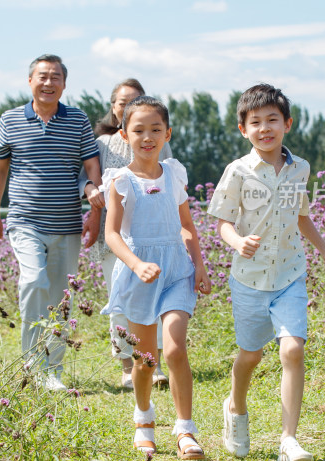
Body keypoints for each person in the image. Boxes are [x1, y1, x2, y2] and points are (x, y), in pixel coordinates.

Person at [207, 84, 325, 461]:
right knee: (250, 356)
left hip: (289, 274)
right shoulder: (237, 172)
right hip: (249, 280)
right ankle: (235, 405)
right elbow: (222, 223)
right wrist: (237, 242)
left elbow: (301, 216)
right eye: (256, 122)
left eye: (272, 120)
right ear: (243, 129)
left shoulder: (299, 168)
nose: (265, 128)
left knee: (293, 350)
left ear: (287, 124)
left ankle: (288, 440)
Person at [101, 96, 212, 459]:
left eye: (155, 130)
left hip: (176, 270)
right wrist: (136, 265)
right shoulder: (120, 180)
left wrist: (200, 265)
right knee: (146, 358)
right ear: (124, 134)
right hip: (139, 275)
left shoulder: (174, 174)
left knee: (176, 348)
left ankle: (185, 430)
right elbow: (112, 235)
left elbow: (188, 227)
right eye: (138, 130)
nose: (147, 137)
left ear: (167, 134)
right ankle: (144, 420)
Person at [0, 54, 103, 391]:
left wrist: (94, 215)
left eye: (55, 77)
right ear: (30, 82)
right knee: (33, 280)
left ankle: (52, 370)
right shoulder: (9, 120)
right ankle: (32, 364)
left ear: (64, 84)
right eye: (42, 76)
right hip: (24, 220)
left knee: (59, 298)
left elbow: (92, 169)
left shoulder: (78, 120)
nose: (49, 83)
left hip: (67, 223)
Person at [81, 78, 172, 389]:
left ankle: (153, 364)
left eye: (137, 101)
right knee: (120, 298)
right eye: (123, 102)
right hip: (116, 236)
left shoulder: (160, 141)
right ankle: (125, 366)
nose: (129, 107)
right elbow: (87, 178)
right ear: (113, 108)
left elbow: (170, 181)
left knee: (155, 299)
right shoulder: (101, 144)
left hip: (154, 233)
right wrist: (90, 190)